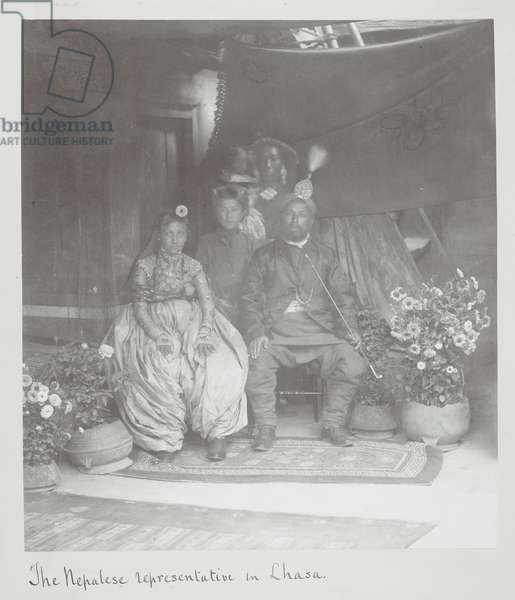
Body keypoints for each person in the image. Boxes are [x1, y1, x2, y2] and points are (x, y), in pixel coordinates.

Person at [108, 207, 248, 462]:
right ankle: (165, 437)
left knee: (216, 362)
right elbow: (139, 308)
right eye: (169, 233)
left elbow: (207, 302)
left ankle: (216, 432)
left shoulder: (193, 266)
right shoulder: (145, 266)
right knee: (157, 365)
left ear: (186, 236)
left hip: (193, 320)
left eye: (180, 234)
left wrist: (204, 332)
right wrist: (156, 334)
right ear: (159, 235)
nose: (174, 240)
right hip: (154, 323)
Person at [241, 194, 366, 451]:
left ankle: (333, 424)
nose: (295, 220)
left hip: (321, 332)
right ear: (281, 218)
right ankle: (265, 427)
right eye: (290, 214)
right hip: (276, 334)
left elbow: (343, 297)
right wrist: (256, 332)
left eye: (302, 215)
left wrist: (350, 330)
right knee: (257, 361)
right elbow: (249, 298)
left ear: (311, 221)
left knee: (352, 361)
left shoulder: (325, 255)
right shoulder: (264, 255)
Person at [196, 185, 258, 328]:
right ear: (216, 212)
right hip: (216, 310)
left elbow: (256, 282)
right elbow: (200, 280)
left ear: (243, 212)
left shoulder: (251, 242)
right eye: (223, 209)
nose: (229, 215)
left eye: (234, 209)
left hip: (246, 310)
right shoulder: (206, 243)